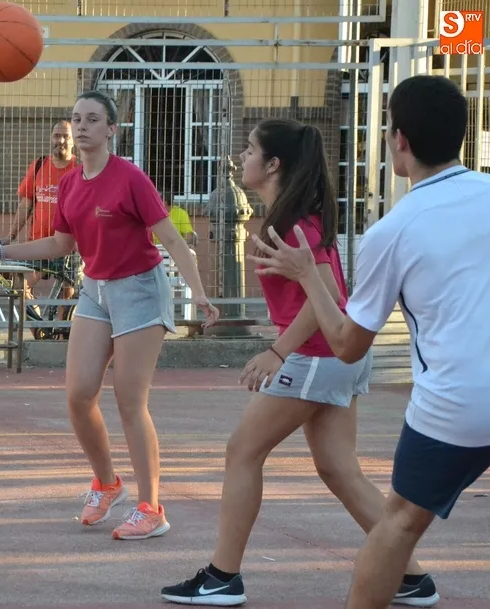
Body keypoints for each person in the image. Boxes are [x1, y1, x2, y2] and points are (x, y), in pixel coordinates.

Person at [159, 118, 438, 607]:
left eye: (249, 150)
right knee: (338, 468)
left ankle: (223, 576)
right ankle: (411, 577)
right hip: (337, 356)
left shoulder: (288, 223)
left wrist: (277, 350)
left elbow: (326, 292)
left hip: (318, 356)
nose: (241, 158)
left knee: (242, 451)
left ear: (273, 164)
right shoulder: (297, 216)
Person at [250, 75, 490, 609]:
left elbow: (347, 344)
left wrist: (306, 273)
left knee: (400, 523)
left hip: (461, 402)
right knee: (342, 470)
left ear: (399, 139)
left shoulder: (395, 228)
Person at [0, 90, 219, 541]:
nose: (81, 127)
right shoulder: (70, 184)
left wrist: (198, 295)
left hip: (140, 289)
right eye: (76, 118)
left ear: (112, 130)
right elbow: (59, 245)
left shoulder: (131, 179)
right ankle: (107, 483)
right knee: (79, 394)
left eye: (93, 119)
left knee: (129, 400)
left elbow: (173, 242)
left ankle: (152, 508)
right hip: (96, 292)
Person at [7, 119, 82, 320]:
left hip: (70, 247)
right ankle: (39, 327)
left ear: (73, 140)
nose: (61, 140)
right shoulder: (39, 165)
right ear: (51, 138)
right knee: (21, 288)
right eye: (57, 135)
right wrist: (11, 235)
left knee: (67, 298)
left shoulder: (80, 169)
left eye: (66, 136)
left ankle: (59, 334)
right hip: (40, 244)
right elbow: (25, 204)